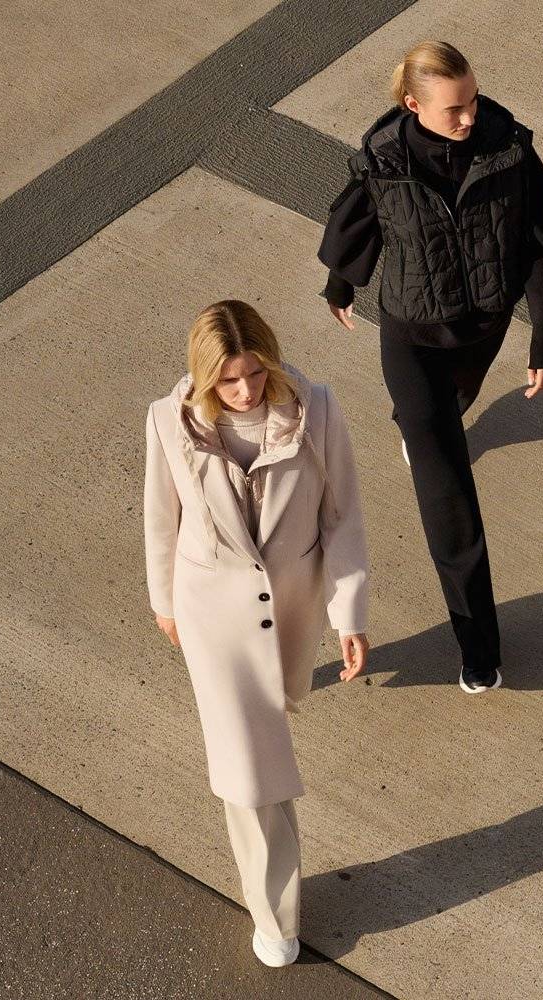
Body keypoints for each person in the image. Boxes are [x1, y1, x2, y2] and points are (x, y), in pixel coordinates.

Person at [317, 40, 543, 694]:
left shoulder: (509, 151)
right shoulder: (384, 162)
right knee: (448, 489)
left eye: (473, 100)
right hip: (413, 336)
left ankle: (426, 419)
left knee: (453, 405)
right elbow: (359, 221)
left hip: (483, 325)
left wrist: (542, 337)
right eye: (454, 108)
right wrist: (341, 283)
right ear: (412, 104)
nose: (469, 116)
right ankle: (479, 646)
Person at [142, 299, 370, 966]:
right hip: (211, 612)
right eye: (228, 380)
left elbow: (343, 516)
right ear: (205, 376)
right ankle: (275, 914)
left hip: (291, 607)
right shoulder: (167, 421)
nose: (244, 391)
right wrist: (165, 603)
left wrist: (349, 613)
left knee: (270, 726)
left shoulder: (317, 411)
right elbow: (161, 518)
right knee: (249, 769)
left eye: (255, 374)